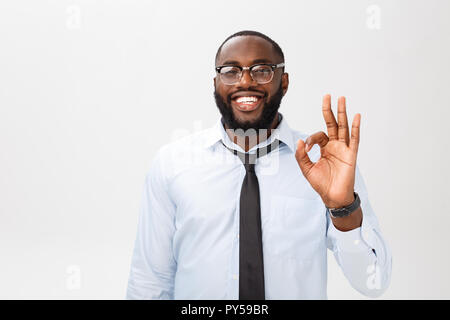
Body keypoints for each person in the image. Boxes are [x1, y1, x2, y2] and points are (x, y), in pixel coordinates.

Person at [126, 30, 392, 300]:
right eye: (231, 71)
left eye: (261, 70)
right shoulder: (172, 164)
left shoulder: (324, 163)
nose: (245, 81)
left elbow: (373, 281)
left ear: (283, 82)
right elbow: (149, 282)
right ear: (216, 82)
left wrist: (343, 208)